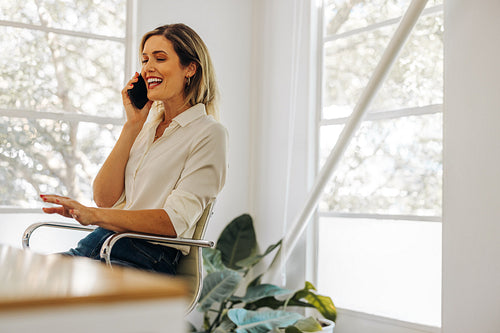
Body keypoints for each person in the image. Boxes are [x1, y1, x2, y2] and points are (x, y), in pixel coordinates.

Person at [40, 23, 228, 275]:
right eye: (144, 59)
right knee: (24, 278)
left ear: (190, 68)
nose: (148, 67)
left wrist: (94, 215)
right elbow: (105, 198)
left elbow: (174, 221)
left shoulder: (208, 133)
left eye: (160, 58)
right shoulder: (146, 126)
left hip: (147, 259)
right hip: (101, 243)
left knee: (50, 295)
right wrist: (132, 125)